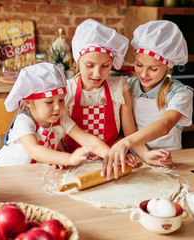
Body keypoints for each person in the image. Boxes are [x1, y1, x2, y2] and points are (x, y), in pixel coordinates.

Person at [64, 19, 172, 176]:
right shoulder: (66, 91)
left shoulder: (119, 87)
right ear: (76, 61)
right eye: (89, 65)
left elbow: (129, 132)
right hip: (74, 164)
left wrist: (145, 154)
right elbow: (64, 133)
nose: (97, 73)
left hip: (113, 161)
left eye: (105, 66)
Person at [102, 20, 193, 178]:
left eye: (153, 68)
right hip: (133, 160)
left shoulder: (180, 93)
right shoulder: (127, 86)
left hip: (167, 161)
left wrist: (126, 143)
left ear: (168, 67)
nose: (144, 74)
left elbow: (165, 125)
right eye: (138, 65)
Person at [0, 62, 115, 169]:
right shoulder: (24, 121)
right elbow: (34, 150)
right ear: (28, 102)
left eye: (61, 100)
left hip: (35, 171)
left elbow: (86, 139)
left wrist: (112, 156)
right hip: (10, 172)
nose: (57, 107)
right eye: (49, 102)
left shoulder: (60, 119)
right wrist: (69, 158)